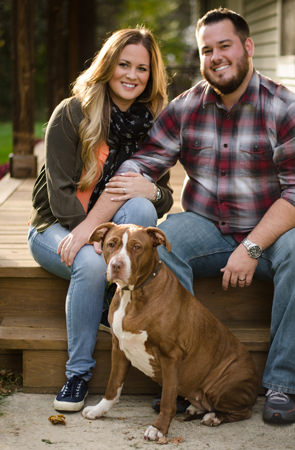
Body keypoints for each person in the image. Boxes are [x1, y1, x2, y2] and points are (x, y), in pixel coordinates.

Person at [74, 8, 295, 425]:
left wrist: (252, 246)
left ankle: (281, 384)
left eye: (224, 46)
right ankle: (177, 374)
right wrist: (127, 191)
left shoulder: (287, 109)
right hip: (207, 225)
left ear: (247, 47)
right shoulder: (186, 107)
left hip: (275, 230)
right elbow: (142, 163)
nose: (215, 57)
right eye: (207, 50)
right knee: (164, 245)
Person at [27, 27, 173, 413]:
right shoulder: (72, 112)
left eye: (141, 68)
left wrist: (151, 191)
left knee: (142, 210)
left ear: (151, 74)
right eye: (123, 64)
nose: (132, 75)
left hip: (109, 233)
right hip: (56, 225)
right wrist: (92, 237)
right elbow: (58, 193)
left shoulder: (153, 122)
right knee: (92, 265)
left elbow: (166, 195)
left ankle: (119, 292)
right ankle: (78, 374)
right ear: (108, 66)